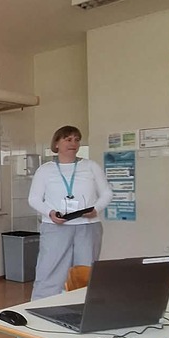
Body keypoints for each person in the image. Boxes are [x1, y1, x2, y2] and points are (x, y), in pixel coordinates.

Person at [28, 126, 113, 300]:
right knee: (49, 269)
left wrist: (96, 209)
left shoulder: (90, 166)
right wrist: (50, 212)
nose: (73, 143)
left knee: (85, 271)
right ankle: (41, 306)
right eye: (68, 139)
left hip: (87, 226)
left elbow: (107, 193)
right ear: (56, 144)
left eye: (76, 139)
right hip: (55, 227)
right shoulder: (45, 169)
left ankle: (83, 306)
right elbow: (34, 199)